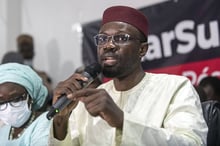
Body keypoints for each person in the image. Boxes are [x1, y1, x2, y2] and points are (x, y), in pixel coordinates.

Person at [49, 6, 208, 146]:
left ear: (142, 49)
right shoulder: (87, 99)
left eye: (121, 38)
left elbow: (192, 142)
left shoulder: (175, 88)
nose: (108, 45)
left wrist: (122, 121)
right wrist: (61, 120)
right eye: (103, 39)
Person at [0, 63, 51, 146]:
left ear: (31, 97)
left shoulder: (45, 123)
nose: (9, 108)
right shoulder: (4, 130)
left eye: (16, 99)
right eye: (1, 102)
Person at [17, 34, 53, 110]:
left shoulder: (43, 76)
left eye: (28, 49)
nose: (26, 53)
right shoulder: (14, 76)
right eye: (23, 50)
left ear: (33, 52)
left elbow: (50, 99)